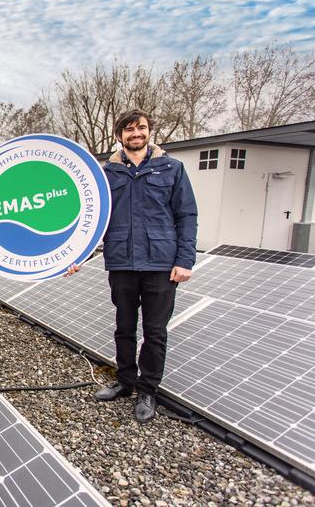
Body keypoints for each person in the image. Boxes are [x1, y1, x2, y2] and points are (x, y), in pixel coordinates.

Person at [87, 108, 198, 422]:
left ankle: (147, 390)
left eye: (141, 128)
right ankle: (125, 381)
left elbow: (186, 216)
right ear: (119, 136)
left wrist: (184, 260)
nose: (135, 134)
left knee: (155, 331)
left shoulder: (172, 169)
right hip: (121, 262)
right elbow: (91, 220)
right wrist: (76, 257)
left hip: (161, 264)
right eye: (129, 130)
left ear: (149, 132)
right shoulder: (106, 174)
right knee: (124, 327)